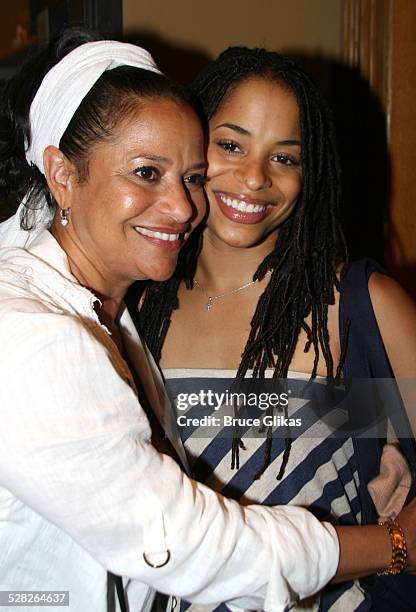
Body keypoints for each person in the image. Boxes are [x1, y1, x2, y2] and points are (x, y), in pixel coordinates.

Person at [0, 29, 375, 612]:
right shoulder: (43, 334)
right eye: (146, 172)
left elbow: (362, 416)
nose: (181, 206)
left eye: (189, 176)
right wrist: (395, 544)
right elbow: (184, 543)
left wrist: (389, 441)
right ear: (63, 174)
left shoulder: (118, 315)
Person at [135, 47, 416, 611]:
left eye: (286, 158)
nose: (255, 177)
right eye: (231, 145)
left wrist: (396, 545)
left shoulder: (357, 309)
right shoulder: (136, 310)